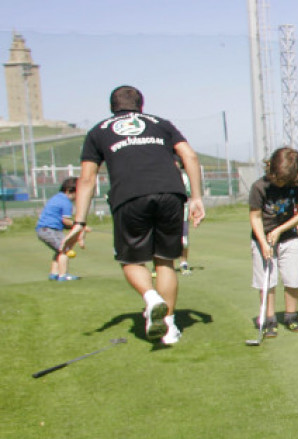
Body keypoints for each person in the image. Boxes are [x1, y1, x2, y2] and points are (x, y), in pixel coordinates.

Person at [63, 85, 205, 345]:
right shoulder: (161, 124)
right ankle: (170, 328)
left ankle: (151, 298)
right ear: (141, 106)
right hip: (171, 193)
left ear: (111, 107)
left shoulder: (98, 131)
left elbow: (86, 178)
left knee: (130, 261)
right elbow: (190, 156)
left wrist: (79, 221)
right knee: (165, 261)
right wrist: (196, 197)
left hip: (129, 196)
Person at [249, 146, 298, 337]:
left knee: (292, 278)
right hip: (262, 239)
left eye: (285, 180)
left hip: (288, 237)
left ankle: (291, 316)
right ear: (271, 169)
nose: (280, 183)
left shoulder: (296, 185)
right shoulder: (259, 187)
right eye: (278, 179)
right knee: (267, 280)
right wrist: (263, 242)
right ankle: (269, 319)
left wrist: (280, 230)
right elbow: (255, 217)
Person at [36, 177, 87, 281]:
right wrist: (79, 225)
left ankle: (54, 273)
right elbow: (66, 221)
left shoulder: (57, 197)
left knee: (59, 250)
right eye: (77, 192)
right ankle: (63, 275)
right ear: (69, 190)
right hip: (49, 229)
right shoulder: (66, 202)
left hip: (45, 229)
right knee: (64, 249)